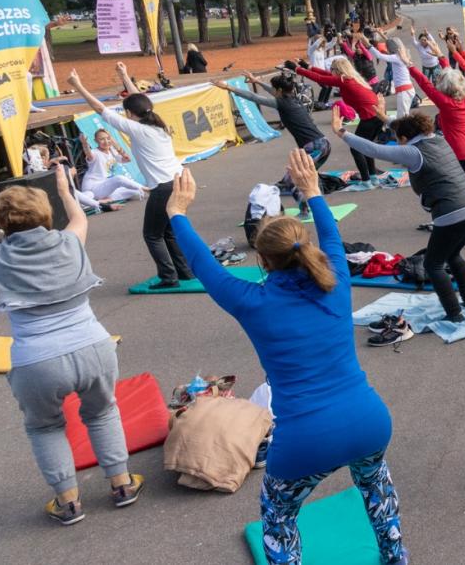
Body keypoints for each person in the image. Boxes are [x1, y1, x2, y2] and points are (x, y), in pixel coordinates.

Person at [166, 152, 406, 564]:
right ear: (306, 247)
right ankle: (396, 556)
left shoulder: (249, 300)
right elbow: (330, 234)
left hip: (305, 441)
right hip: (369, 420)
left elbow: (204, 264)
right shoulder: (337, 280)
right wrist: (311, 189)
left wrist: (177, 212)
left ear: (262, 260)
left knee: (278, 519)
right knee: (375, 486)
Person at [0, 166, 143, 525]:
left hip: (36, 361)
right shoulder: (69, 241)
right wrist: (64, 189)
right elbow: (78, 215)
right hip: (93, 346)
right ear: (46, 216)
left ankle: (68, 502)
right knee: (102, 412)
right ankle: (122, 484)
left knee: (45, 426)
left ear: (2, 225)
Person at [331, 112, 465, 336]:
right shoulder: (438, 138)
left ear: (403, 138)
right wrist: (384, 117)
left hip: (452, 210)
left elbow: (375, 150)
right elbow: (404, 128)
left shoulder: (413, 152)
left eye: (397, 137)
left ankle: (454, 313)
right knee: (453, 255)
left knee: (434, 264)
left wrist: (341, 132)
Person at [68, 65, 192, 289]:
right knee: (167, 232)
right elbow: (140, 100)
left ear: (130, 114)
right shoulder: (155, 123)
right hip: (177, 182)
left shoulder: (137, 129)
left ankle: (169, 277)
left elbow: (99, 108)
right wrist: (124, 75)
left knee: (152, 235)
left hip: (164, 186)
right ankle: (183, 272)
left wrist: (77, 85)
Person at [216, 73, 331, 215]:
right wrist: (256, 81)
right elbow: (274, 92)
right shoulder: (292, 98)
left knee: (294, 180)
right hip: (323, 143)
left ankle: (305, 211)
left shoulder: (282, 102)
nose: (273, 91)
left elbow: (254, 98)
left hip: (315, 147)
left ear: (280, 91)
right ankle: (319, 207)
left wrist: (229, 87)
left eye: (274, 88)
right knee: (310, 176)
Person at [291, 58, 385, 181]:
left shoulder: (344, 81)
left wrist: (297, 69)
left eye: (332, 69)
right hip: (377, 116)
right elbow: (326, 75)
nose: (330, 71)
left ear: (338, 70)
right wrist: (307, 67)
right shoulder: (350, 78)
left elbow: (320, 79)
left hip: (371, 118)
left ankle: (367, 180)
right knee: (365, 146)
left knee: (356, 148)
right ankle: (372, 176)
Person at [77, 130, 146, 204]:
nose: (106, 141)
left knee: (137, 192)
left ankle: (106, 200)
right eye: (102, 139)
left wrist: (116, 145)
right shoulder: (95, 152)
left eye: (108, 138)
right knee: (119, 179)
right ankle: (146, 189)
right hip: (93, 187)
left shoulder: (112, 152)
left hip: (105, 187)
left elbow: (127, 159)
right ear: (96, 141)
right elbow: (89, 153)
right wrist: (84, 144)